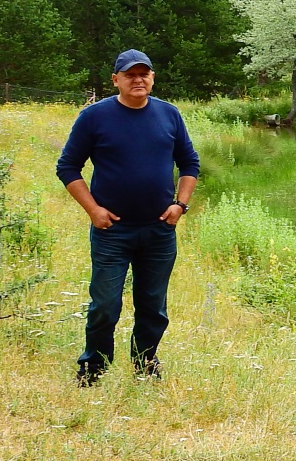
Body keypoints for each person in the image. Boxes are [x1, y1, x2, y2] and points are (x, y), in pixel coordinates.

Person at [55, 49, 200, 385]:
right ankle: (94, 368)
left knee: (153, 306)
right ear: (115, 79)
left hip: (159, 230)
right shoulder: (94, 117)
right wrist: (94, 210)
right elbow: (67, 167)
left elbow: (189, 163)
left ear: (152, 77)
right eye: (130, 74)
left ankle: (145, 364)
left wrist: (180, 204)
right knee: (105, 304)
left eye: (143, 74)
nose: (138, 80)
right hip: (112, 231)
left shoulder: (169, 114)